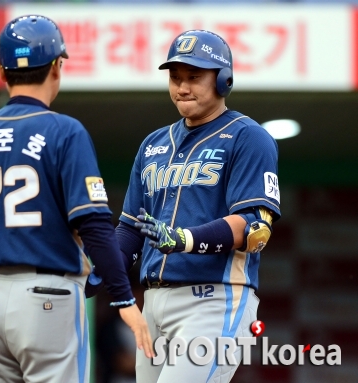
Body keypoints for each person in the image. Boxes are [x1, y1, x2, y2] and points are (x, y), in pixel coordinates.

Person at [0, 14, 153, 383]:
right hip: (47, 295)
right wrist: (123, 299)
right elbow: (94, 225)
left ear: (1, 71)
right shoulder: (65, 131)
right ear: (57, 66)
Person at [111, 30, 281, 382]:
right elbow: (130, 227)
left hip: (214, 299)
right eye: (175, 77)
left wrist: (183, 239)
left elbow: (255, 228)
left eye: (194, 77)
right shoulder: (153, 144)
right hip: (153, 304)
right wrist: (101, 267)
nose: (182, 87)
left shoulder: (247, 136)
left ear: (223, 80)